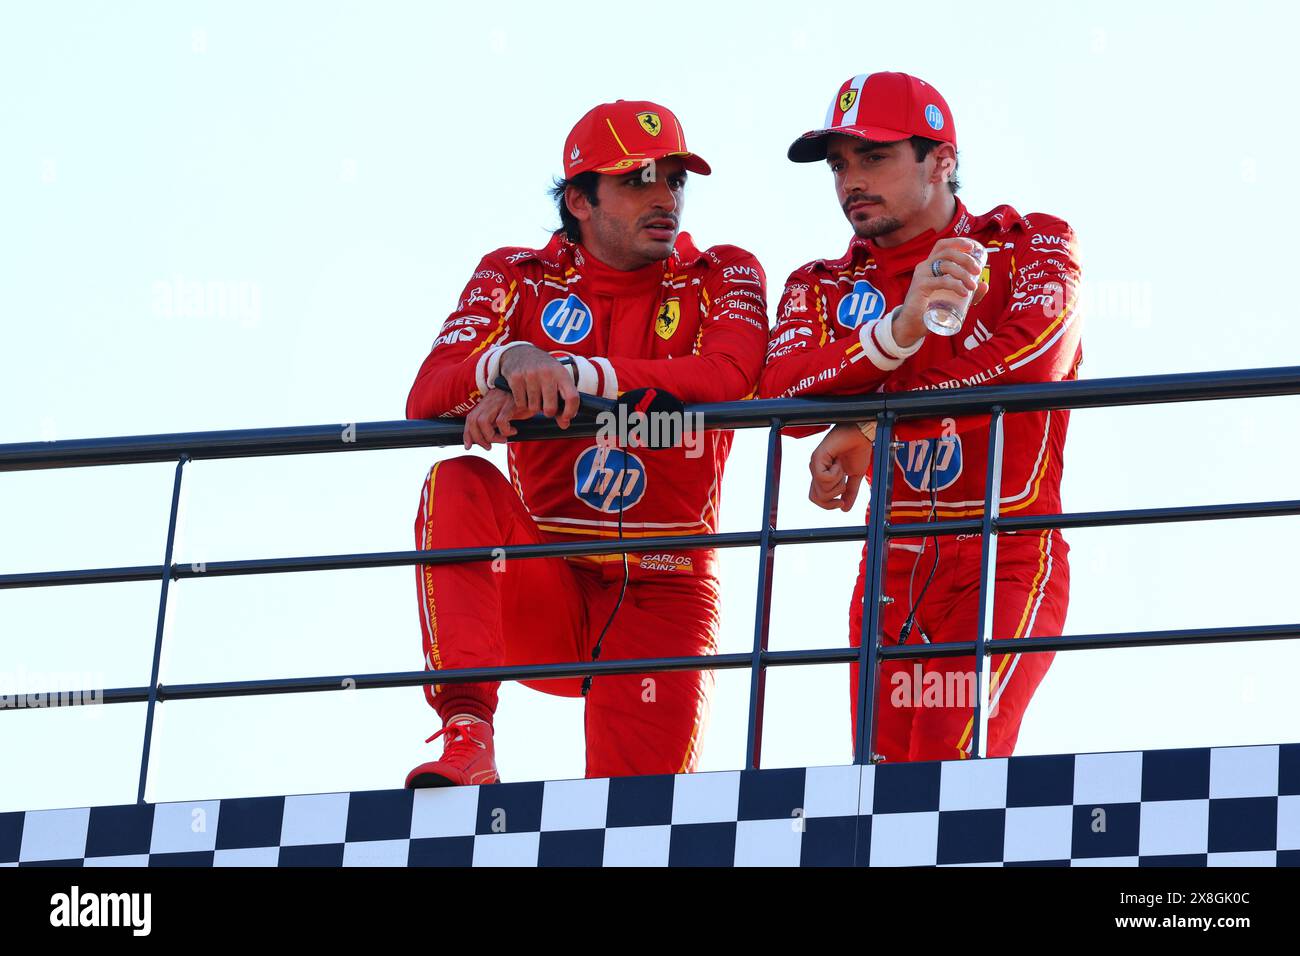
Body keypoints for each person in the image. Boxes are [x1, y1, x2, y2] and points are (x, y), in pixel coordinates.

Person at [403, 99, 768, 786]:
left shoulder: (725, 272)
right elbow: (426, 393)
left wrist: (570, 374)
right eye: (637, 181)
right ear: (578, 199)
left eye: (675, 180)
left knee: (637, 828)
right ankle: (467, 737)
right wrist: (507, 361)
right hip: (548, 578)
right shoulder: (516, 275)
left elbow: (728, 376)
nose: (665, 199)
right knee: (456, 482)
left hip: (667, 587)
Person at [760, 72, 1082, 762]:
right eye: (839, 163)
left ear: (942, 161)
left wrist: (867, 423)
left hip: (1006, 553)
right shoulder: (821, 283)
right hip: (890, 568)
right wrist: (898, 332)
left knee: (944, 779)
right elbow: (780, 400)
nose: (850, 180)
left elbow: (1027, 367)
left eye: (873, 157)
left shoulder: (1034, 243)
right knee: (874, 802)